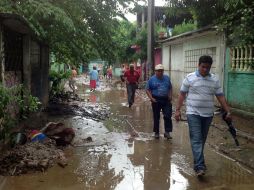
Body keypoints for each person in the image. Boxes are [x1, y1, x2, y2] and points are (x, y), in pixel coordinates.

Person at [175, 55, 231, 176]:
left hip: (208, 115)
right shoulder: (190, 78)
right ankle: (200, 166)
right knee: (196, 139)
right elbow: (182, 95)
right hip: (193, 113)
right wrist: (178, 110)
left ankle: (197, 162)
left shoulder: (214, 80)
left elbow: (220, 96)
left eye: (208, 67)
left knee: (202, 140)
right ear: (198, 65)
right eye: (203, 67)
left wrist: (228, 111)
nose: (205, 69)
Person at [146, 64, 173, 139]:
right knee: (156, 116)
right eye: (158, 71)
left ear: (163, 71)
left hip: (166, 99)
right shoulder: (152, 79)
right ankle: (157, 132)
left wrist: (170, 95)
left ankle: (167, 132)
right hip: (156, 99)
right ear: (155, 71)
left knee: (168, 115)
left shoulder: (167, 78)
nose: (160, 72)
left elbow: (170, 87)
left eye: (161, 71)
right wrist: (151, 98)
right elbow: (147, 89)